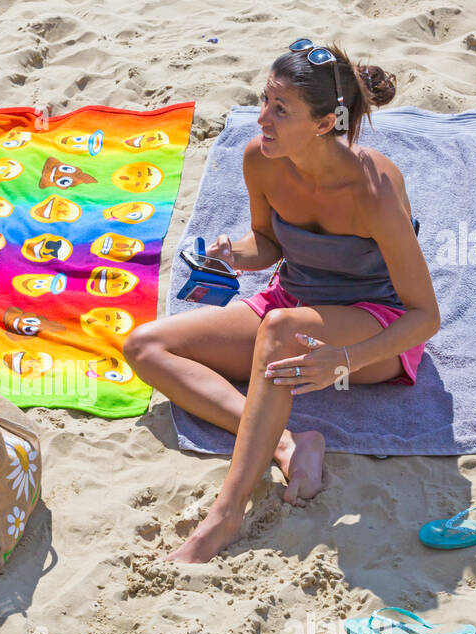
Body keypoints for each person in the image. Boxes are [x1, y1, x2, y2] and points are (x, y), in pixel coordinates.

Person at [124, 40, 441, 563]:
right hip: (291, 305)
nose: (261, 119)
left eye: (280, 109)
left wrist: (345, 360)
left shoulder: (375, 187)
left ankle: (225, 515)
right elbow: (268, 243)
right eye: (264, 100)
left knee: (279, 328)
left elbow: (424, 316)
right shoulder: (262, 161)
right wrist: (237, 253)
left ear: (323, 123)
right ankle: (286, 444)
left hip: (373, 331)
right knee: (144, 346)